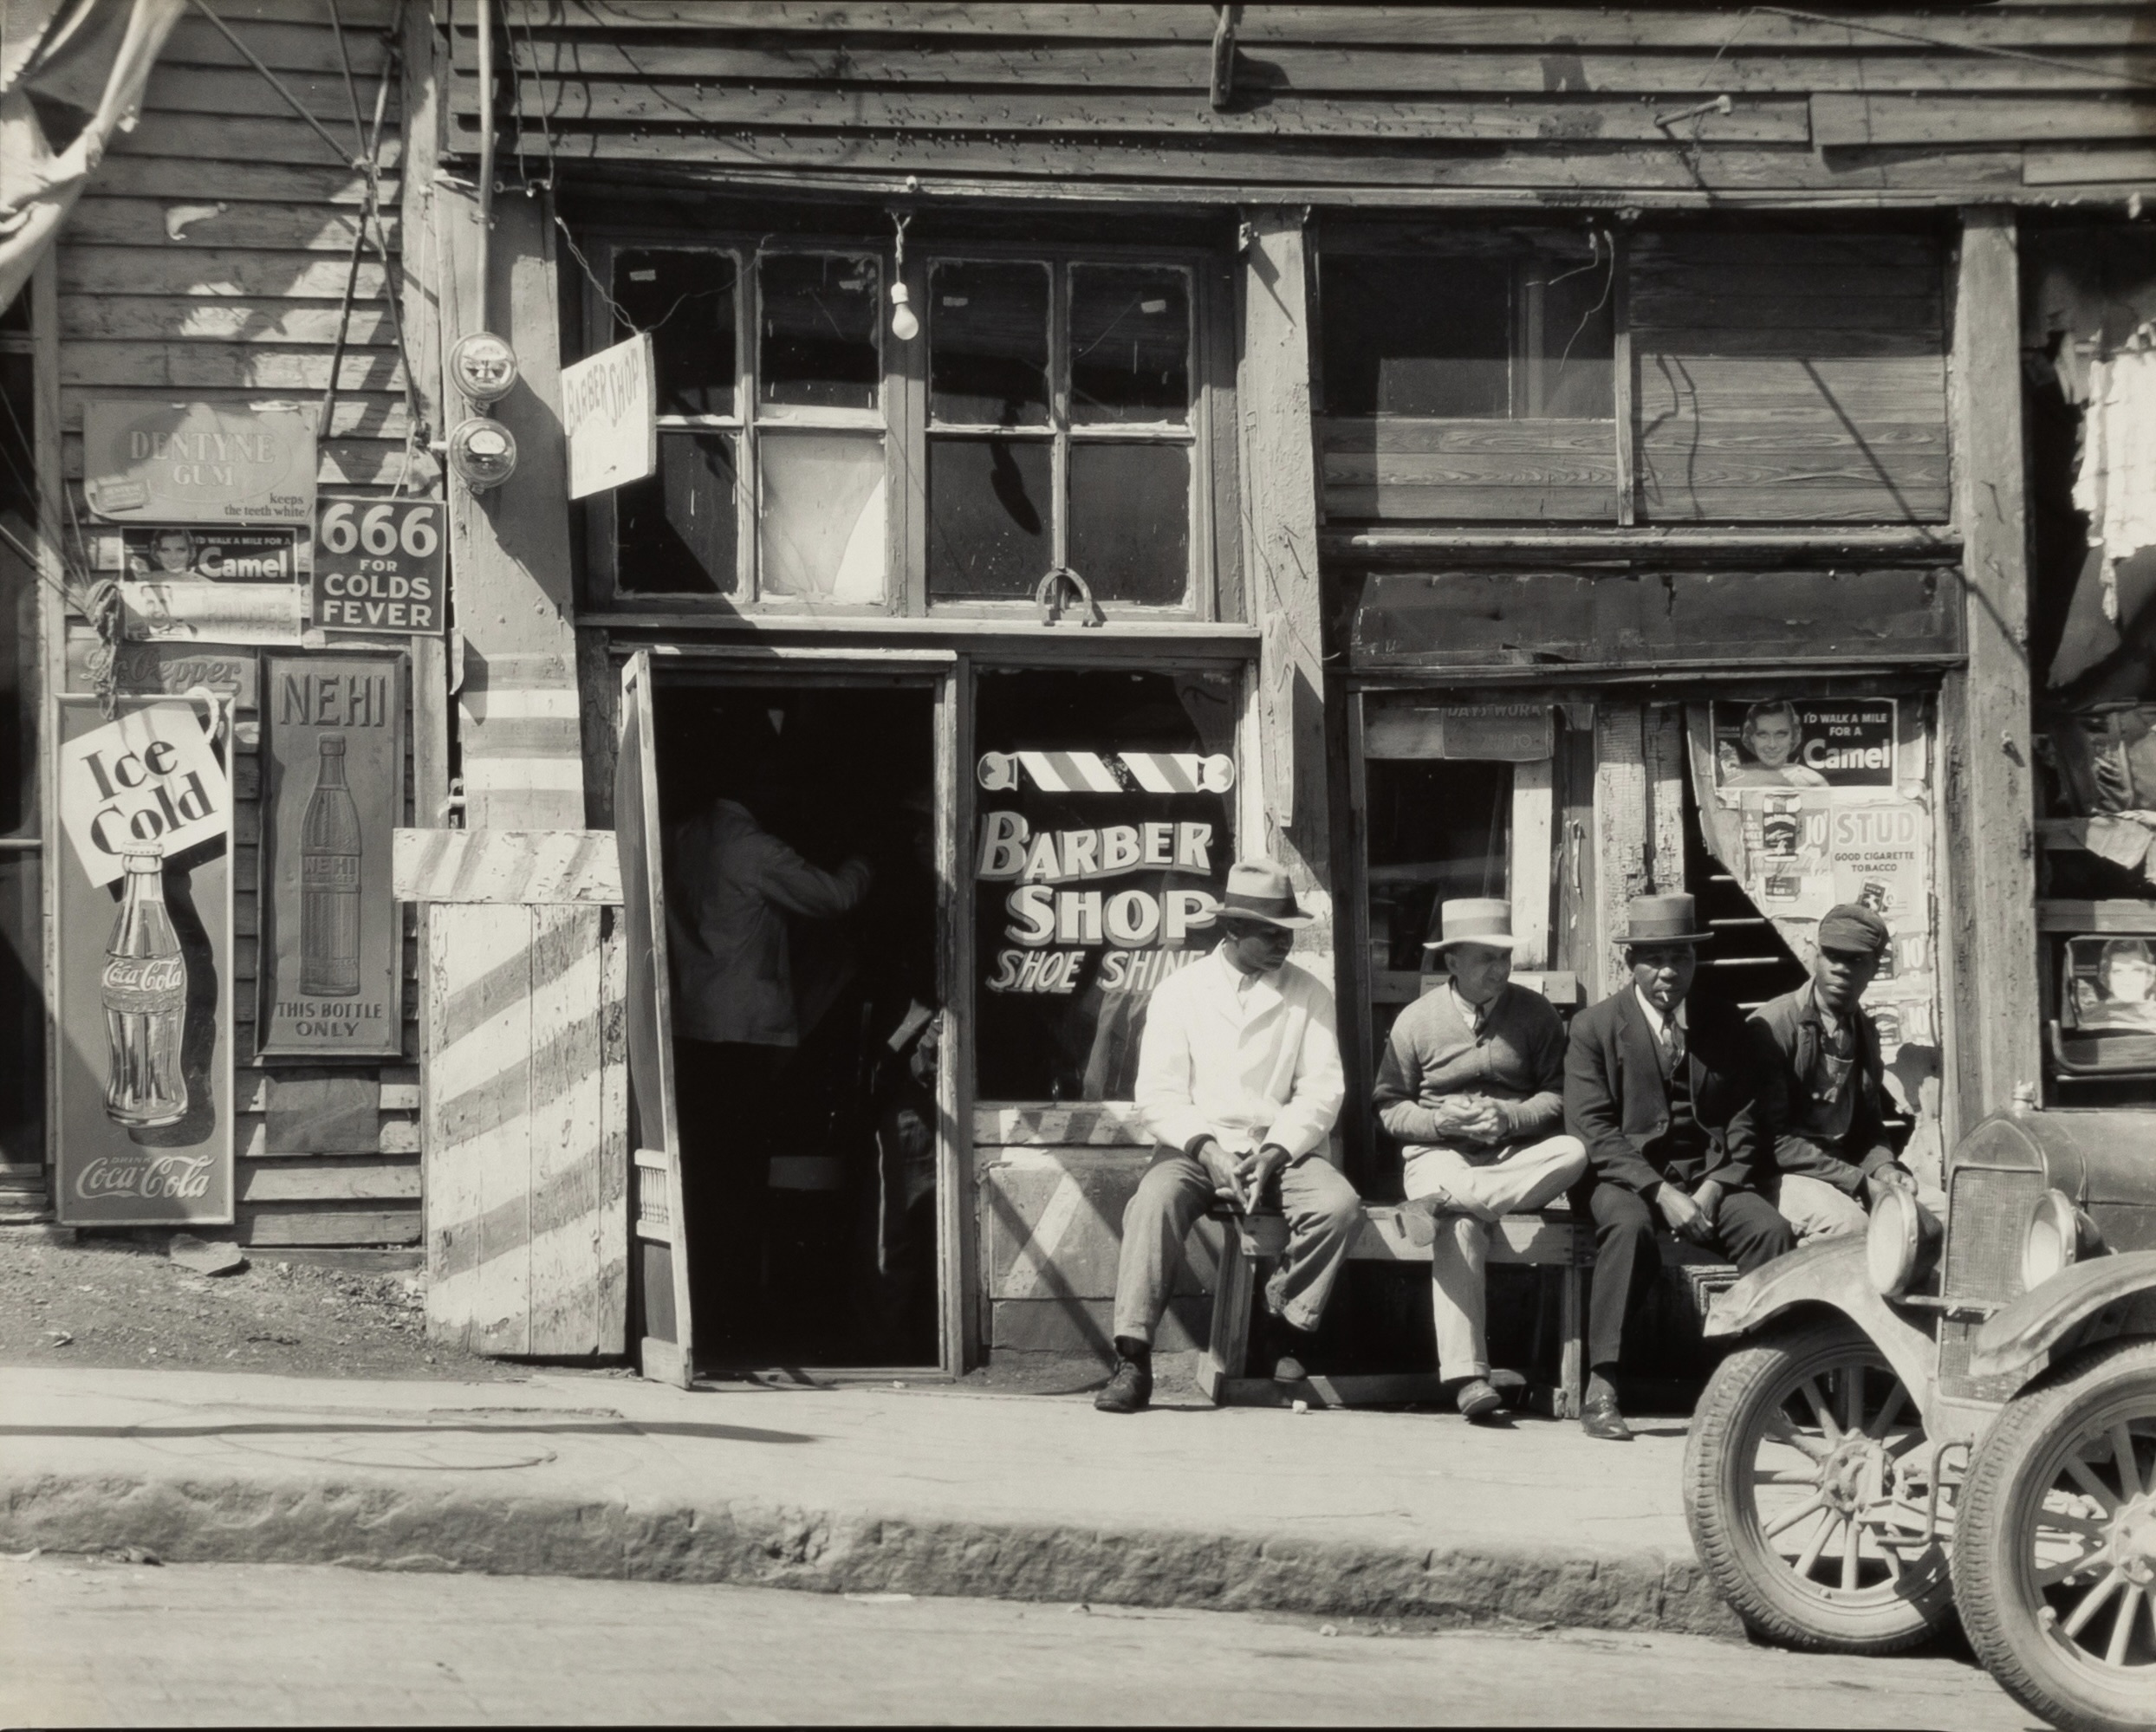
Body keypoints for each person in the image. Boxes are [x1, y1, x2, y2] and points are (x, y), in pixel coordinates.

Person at [1096, 860, 1355, 1415]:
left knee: (1339, 1206)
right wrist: (1207, 1150)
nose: (1285, 942)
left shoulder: (1310, 994)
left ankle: (1282, 1325)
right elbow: (1158, 1096)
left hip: (1282, 1146)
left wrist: (1275, 1152)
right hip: (1197, 1144)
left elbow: (1321, 1091)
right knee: (1153, 1204)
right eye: (1272, 932)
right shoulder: (1179, 992)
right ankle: (1132, 1359)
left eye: (1289, 932)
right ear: (1232, 929)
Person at [1563, 892, 1796, 1442]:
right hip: (1622, 1179)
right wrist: (1660, 1193)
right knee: (1629, 1227)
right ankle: (1603, 1386)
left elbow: (1744, 1116)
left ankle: (1756, 1384)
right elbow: (1593, 1130)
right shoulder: (1594, 1028)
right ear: (1631, 963)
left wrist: (1716, 1186)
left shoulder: (1720, 1020)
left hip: (1708, 1175)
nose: (1669, 972)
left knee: (1770, 1231)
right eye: (1654, 958)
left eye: (1682, 958)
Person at [666, 737, 873, 1347]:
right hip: (741, 1034)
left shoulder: (681, 835)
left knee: (703, 1176)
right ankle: (736, 1317)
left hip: (689, 1025)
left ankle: (701, 1307)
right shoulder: (753, 848)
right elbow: (833, 897)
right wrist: (868, 859)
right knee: (739, 1182)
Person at [1373, 897, 1588, 1423]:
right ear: (1451, 962)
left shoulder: (1534, 1014)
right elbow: (1389, 1106)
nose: (1501, 969)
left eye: (1505, 957)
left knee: (1575, 1151)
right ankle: (1469, 1376)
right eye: (1487, 958)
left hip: (1514, 1158)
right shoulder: (1416, 1022)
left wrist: (1509, 1118)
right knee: (1462, 1224)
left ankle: (1439, 1204)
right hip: (1440, 1154)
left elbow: (1560, 1098)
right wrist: (1440, 1123)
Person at [1749, 904, 1919, 1243]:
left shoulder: (1864, 1031)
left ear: (1875, 966)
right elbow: (1769, 1140)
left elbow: (1869, 1128)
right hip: (1780, 1176)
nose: (1840, 969)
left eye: (1855, 960)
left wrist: (1885, 1168)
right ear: (1815, 955)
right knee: (1854, 1230)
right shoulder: (1773, 1025)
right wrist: (1857, 1182)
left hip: (1845, 1171)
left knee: (1940, 1215)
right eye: (1832, 956)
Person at [1722, 700, 1828, 788]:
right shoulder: (1736, 779)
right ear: (1751, 737)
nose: (1772, 745)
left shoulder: (1812, 781)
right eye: (1762, 735)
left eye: (1781, 734)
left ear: (1793, 736)